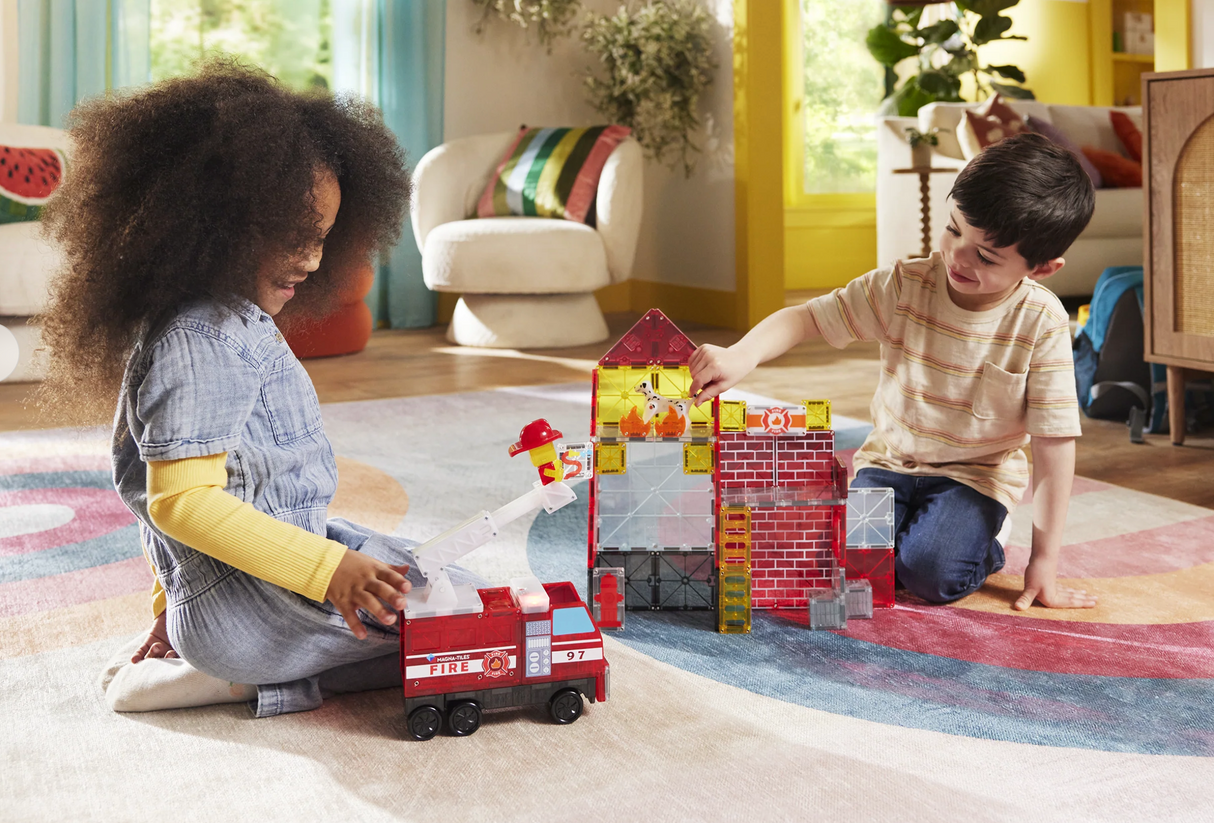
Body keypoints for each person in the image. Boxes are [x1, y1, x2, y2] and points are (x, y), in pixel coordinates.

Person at [37, 60, 483, 716]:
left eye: (323, 239)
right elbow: (180, 504)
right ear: (212, 222)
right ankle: (230, 676)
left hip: (249, 575)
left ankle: (215, 646)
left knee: (435, 578)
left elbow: (154, 500)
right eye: (292, 238)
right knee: (452, 631)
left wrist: (173, 602)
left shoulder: (219, 316)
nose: (311, 259)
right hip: (251, 610)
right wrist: (326, 571)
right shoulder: (199, 340)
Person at [689, 133, 1099, 612]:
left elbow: (1054, 445)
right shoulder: (904, 285)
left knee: (930, 575)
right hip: (888, 462)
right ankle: (908, 526)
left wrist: (1044, 561)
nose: (958, 256)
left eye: (986, 256)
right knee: (849, 562)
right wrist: (742, 354)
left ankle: (988, 534)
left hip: (975, 477)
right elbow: (806, 318)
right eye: (953, 230)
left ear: (1043, 268)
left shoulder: (1041, 323)